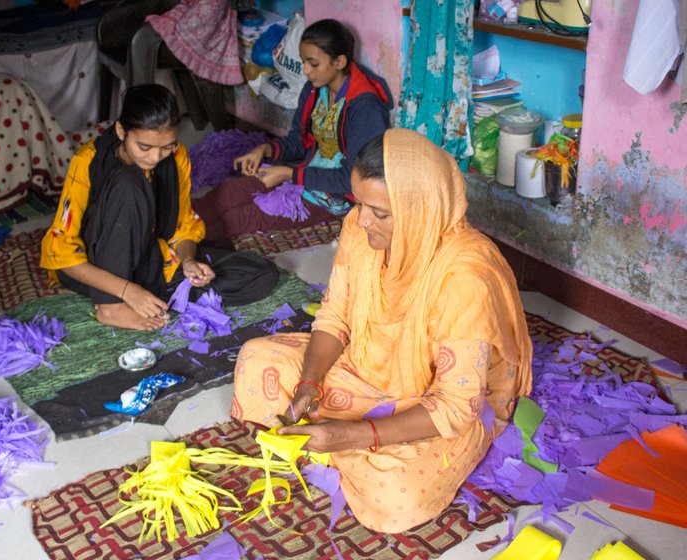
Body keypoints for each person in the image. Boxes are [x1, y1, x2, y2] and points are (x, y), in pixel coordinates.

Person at [230, 129, 533, 533]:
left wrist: (349, 435)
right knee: (254, 360)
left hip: (432, 401)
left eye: (381, 213)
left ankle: (339, 441)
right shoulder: (359, 226)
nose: (361, 220)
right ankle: (340, 438)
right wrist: (309, 383)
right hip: (366, 366)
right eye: (360, 205)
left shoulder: (466, 277)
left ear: (420, 208)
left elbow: (455, 405)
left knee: (395, 501)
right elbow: (335, 315)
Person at [40, 84, 278, 331]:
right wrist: (126, 290)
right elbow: (64, 255)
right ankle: (111, 306)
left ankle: (153, 295)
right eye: (144, 147)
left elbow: (183, 226)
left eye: (166, 146)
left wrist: (187, 261)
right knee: (129, 182)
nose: (155, 158)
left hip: (150, 257)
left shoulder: (176, 157)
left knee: (261, 274)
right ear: (122, 130)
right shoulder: (88, 160)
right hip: (99, 266)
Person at [193, 19, 393, 241]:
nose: (306, 71)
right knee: (230, 193)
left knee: (245, 217)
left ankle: (180, 246)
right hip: (304, 171)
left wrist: (289, 174)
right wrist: (266, 149)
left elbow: (354, 179)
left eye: (313, 63)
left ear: (339, 62)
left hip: (336, 194)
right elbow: (298, 141)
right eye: (304, 62)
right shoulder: (315, 90)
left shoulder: (365, 107)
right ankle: (171, 226)